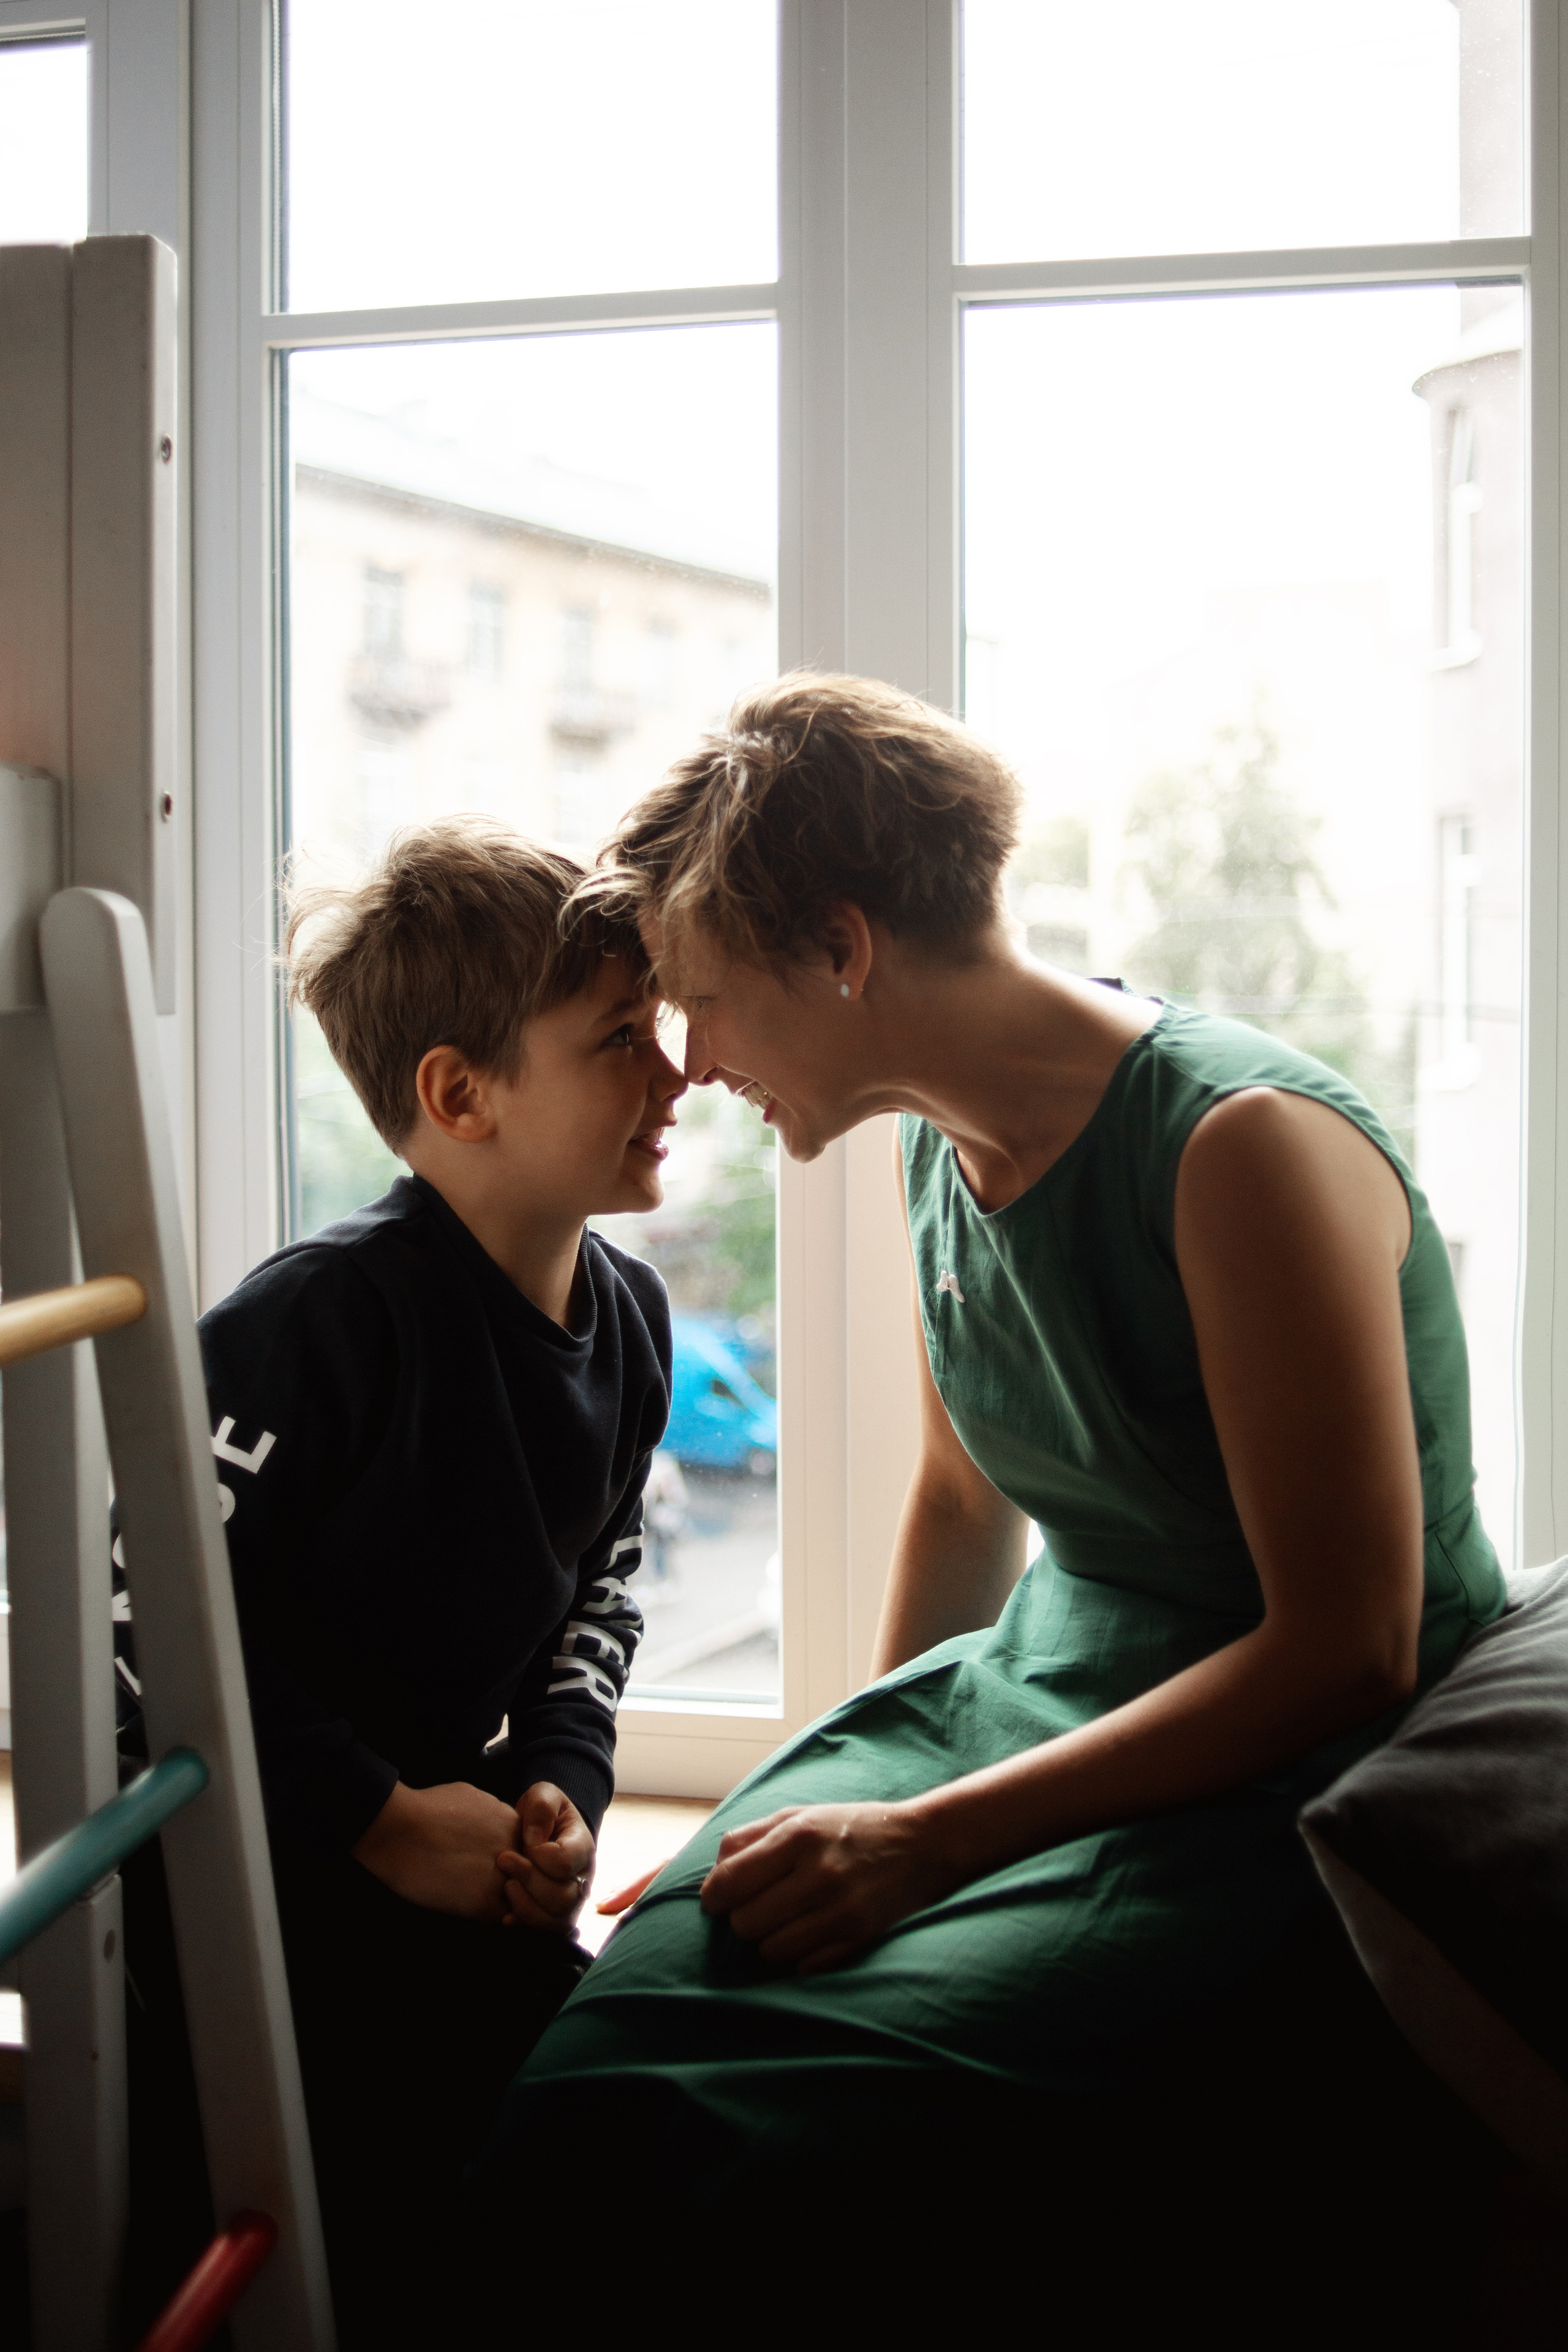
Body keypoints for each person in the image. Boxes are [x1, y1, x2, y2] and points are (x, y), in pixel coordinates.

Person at [477, 674, 1507, 2326]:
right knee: (625, 2024)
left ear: (843, 945)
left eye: (709, 1003)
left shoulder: (1241, 1146)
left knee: (762, 2130)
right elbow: (964, 1509)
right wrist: (843, 1774)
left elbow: (1350, 1647)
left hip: (1277, 1778)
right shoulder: (934, 1151)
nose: (698, 1061)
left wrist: (917, 1845)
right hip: (1032, 1699)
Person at [122, 818, 683, 2340]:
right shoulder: (312, 1329)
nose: (675, 1075)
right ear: (459, 1094)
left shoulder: (630, 1319)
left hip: (450, 1880)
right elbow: (138, 1631)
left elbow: (601, 1588)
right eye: (620, 1037)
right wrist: (369, 1817)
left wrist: (560, 1773)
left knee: (635, 2119)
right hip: (253, 1916)